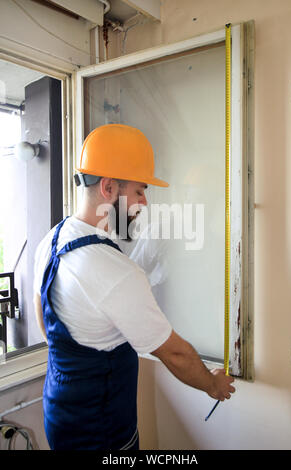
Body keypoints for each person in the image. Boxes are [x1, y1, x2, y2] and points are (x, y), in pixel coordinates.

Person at [33, 124, 235, 451]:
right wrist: (213, 385)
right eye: (140, 191)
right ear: (109, 187)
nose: (144, 203)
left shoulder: (52, 239)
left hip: (59, 416)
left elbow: (46, 324)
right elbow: (175, 353)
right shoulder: (116, 271)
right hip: (102, 434)